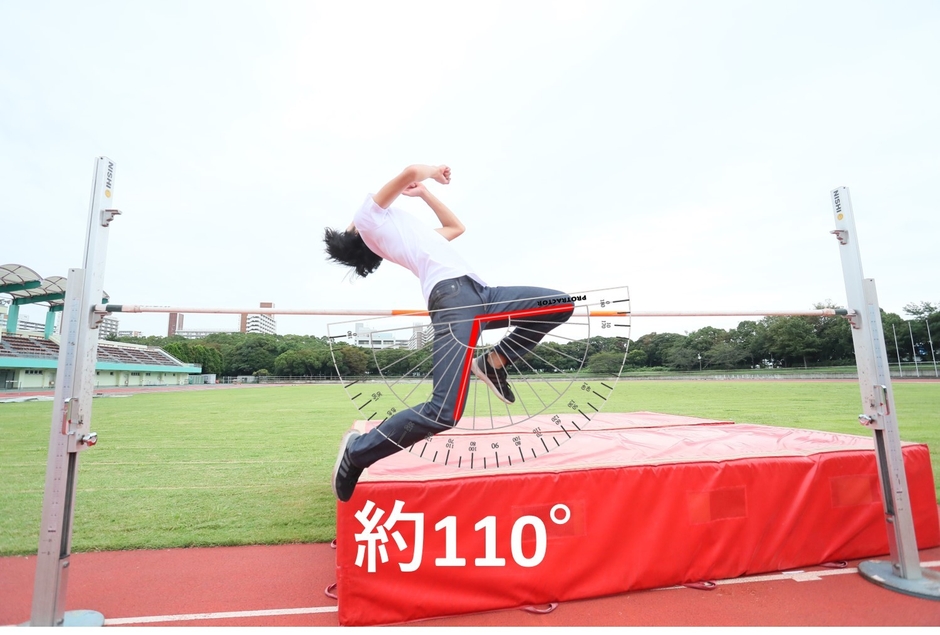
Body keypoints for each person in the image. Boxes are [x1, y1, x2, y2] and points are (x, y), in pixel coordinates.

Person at [324, 164, 573, 502]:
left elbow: (456, 227)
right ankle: (359, 453)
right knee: (444, 412)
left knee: (559, 304)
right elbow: (409, 170)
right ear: (355, 234)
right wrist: (430, 175)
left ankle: (493, 363)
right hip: (455, 301)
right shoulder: (367, 222)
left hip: (482, 294)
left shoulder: (409, 237)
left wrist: (426, 193)